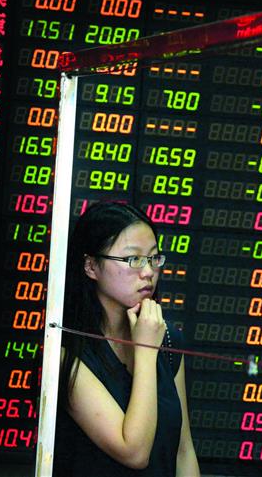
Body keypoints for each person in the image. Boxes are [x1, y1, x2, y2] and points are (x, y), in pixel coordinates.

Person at [54, 201, 200, 476]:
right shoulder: (65, 354)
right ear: (91, 266)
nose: (148, 272)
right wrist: (145, 349)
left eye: (154, 258)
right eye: (133, 259)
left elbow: (183, 451)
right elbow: (134, 452)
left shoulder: (167, 339)